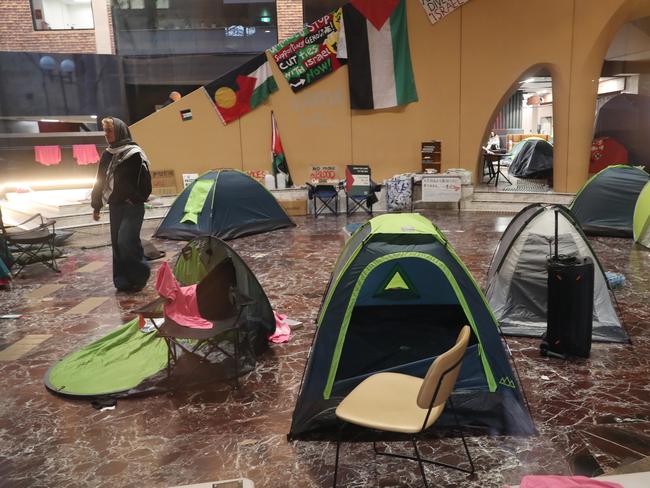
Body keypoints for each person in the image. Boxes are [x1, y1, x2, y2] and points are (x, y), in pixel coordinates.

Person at [91, 117, 152, 292]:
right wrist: (96, 205)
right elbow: (100, 181)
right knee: (117, 244)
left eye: (109, 131)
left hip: (132, 206)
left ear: (119, 131)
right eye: (105, 131)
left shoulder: (134, 153)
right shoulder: (107, 154)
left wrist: (136, 198)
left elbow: (145, 181)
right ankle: (123, 280)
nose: (106, 135)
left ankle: (140, 275)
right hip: (115, 205)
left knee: (126, 240)